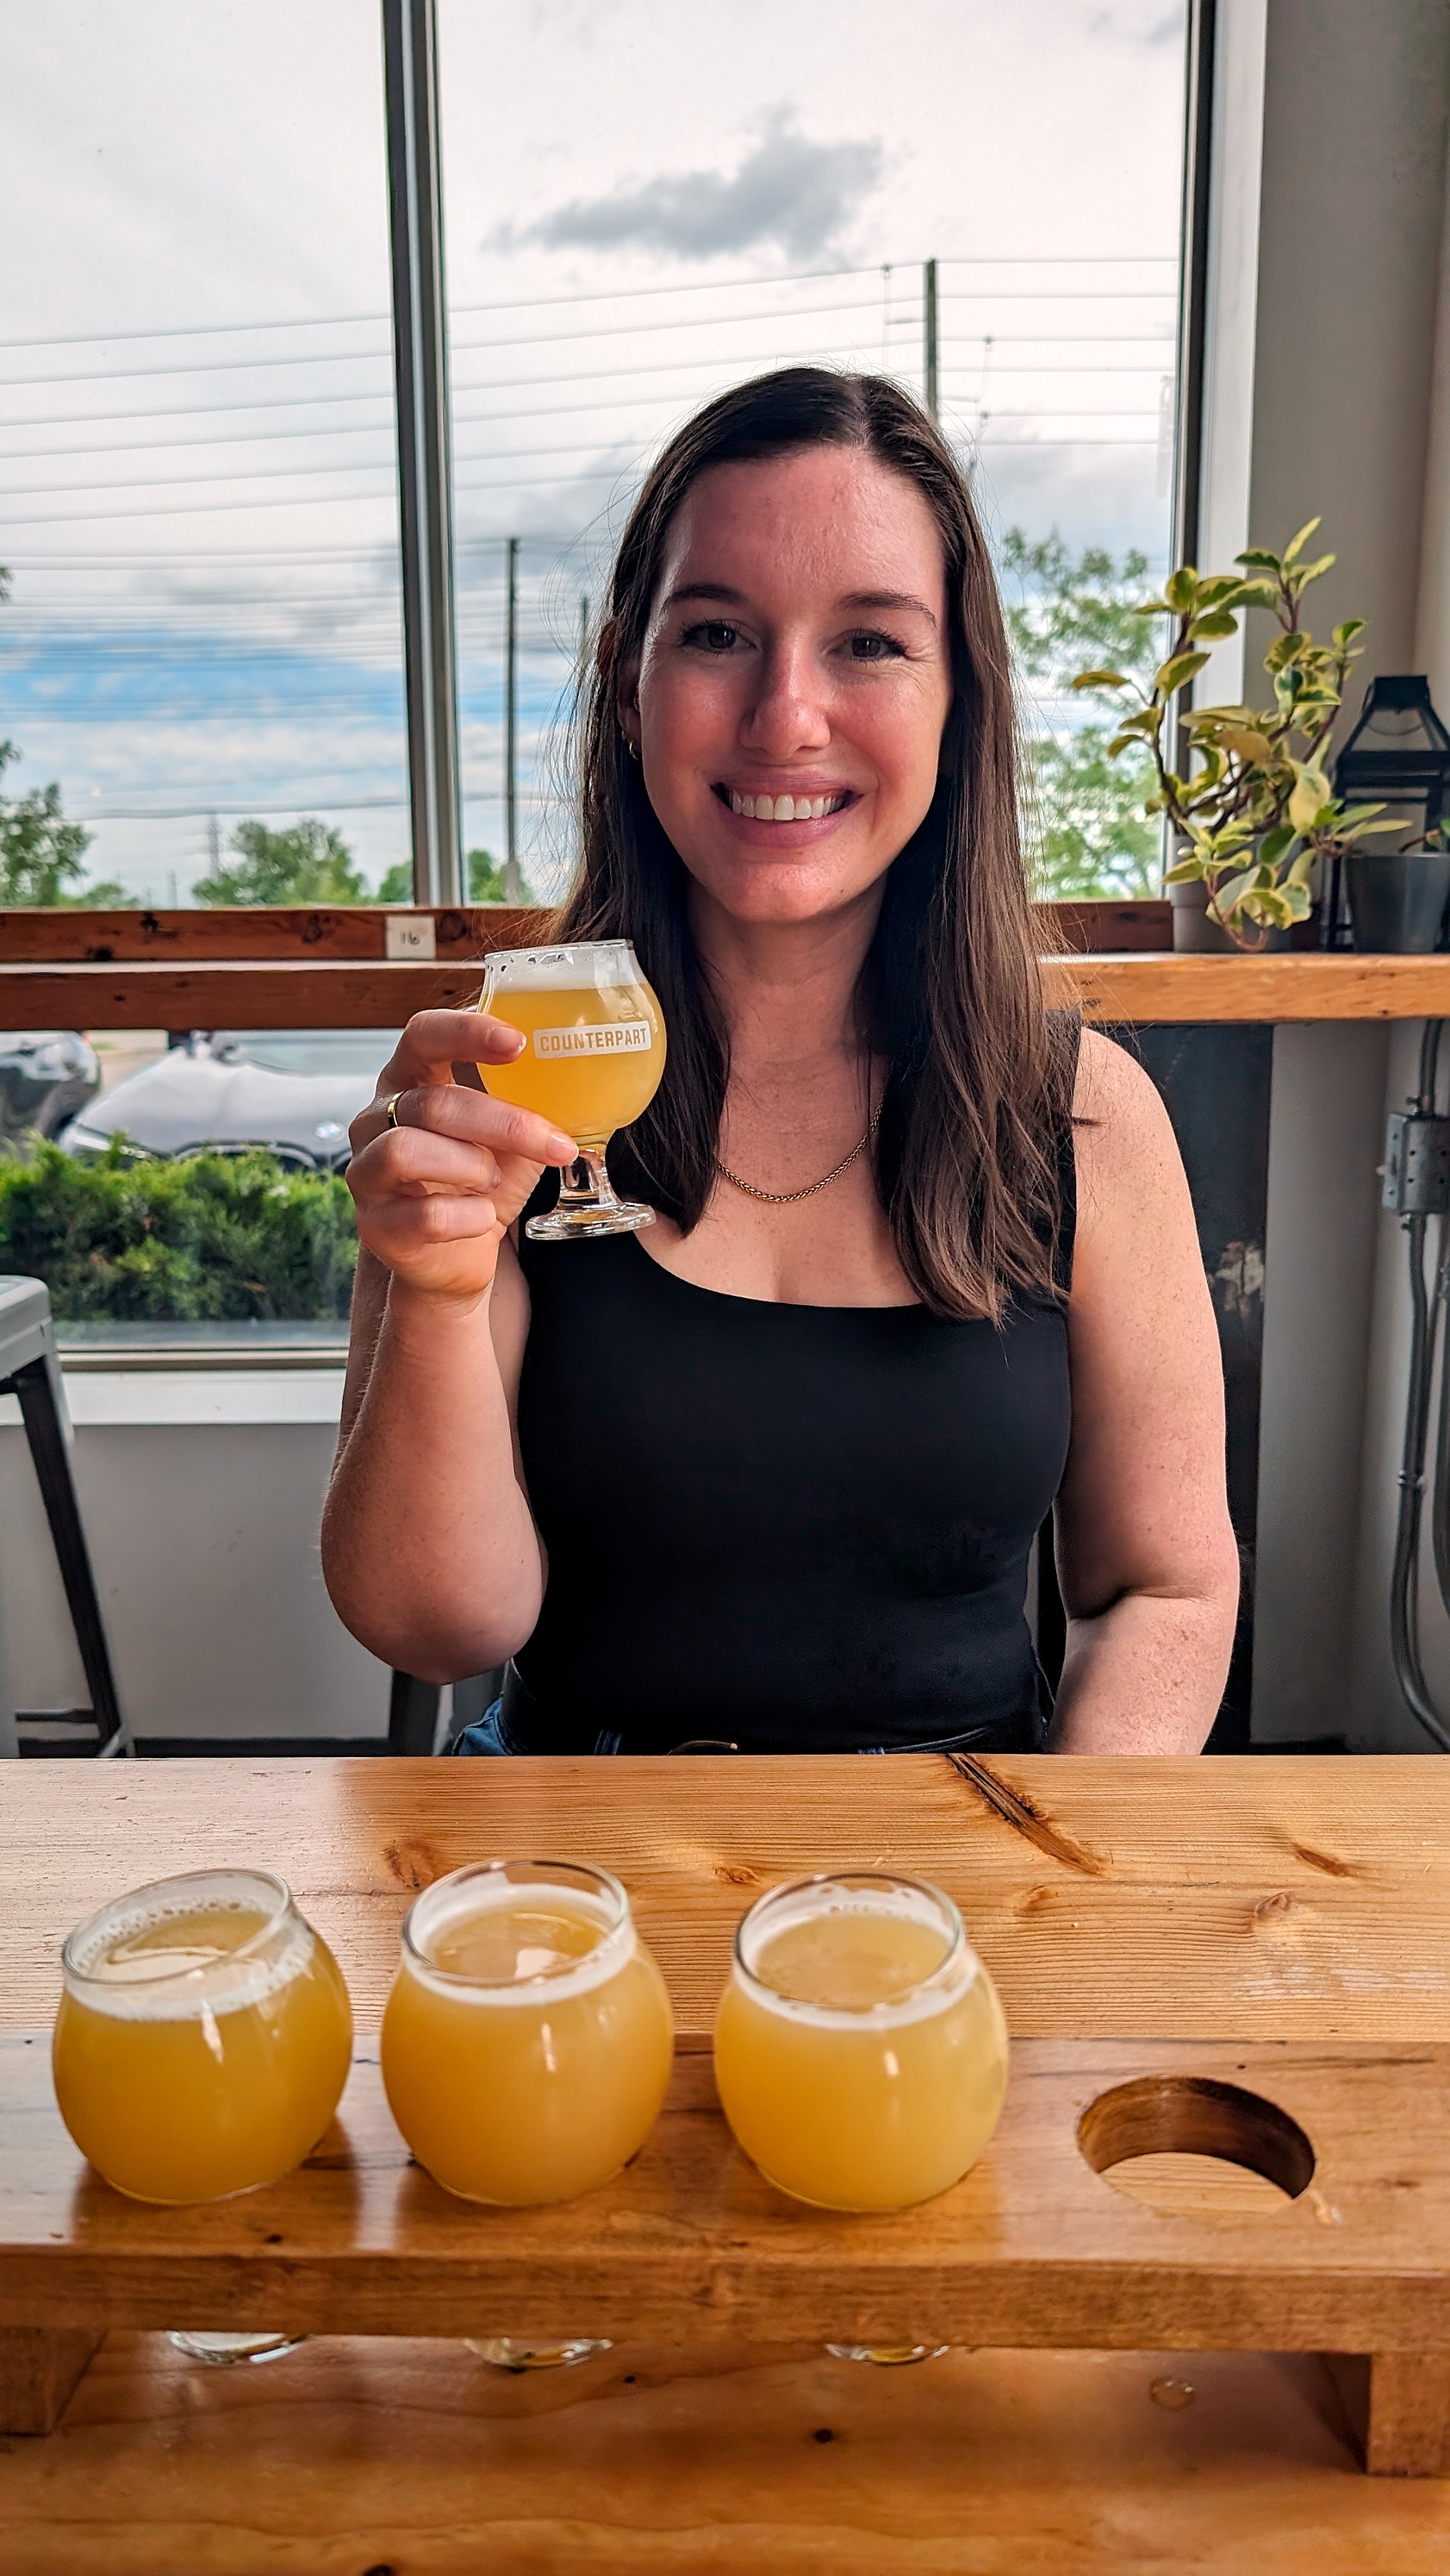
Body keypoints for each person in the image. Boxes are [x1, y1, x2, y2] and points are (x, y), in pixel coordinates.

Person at [323, 368, 1239, 1756]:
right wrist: (435, 1295)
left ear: (958, 703)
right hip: (578, 1896)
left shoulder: (1083, 1111)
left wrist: (1059, 1875)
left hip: (956, 1890)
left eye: (869, 643)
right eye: (716, 634)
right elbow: (439, 1628)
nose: (784, 718)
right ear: (630, 688)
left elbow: (1165, 1586)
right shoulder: (509, 1079)